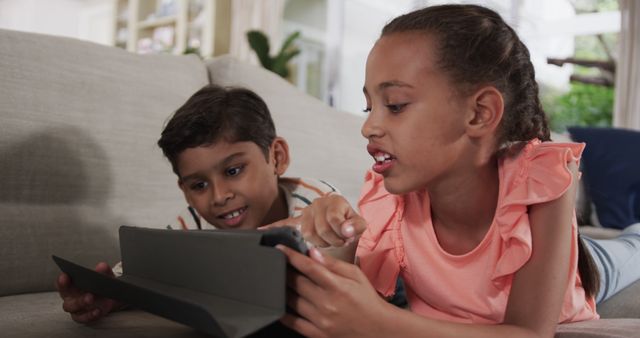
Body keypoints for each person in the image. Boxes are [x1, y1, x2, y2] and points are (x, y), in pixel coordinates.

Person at [275, 4, 640, 338]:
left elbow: (530, 333)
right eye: (369, 107)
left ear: (479, 113)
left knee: (631, 248)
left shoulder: (539, 179)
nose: (368, 127)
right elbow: (349, 296)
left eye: (396, 105)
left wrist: (381, 323)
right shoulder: (390, 197)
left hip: (581, 271)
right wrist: (335, 239)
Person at [54, 85, 354, 326]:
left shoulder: (316, 201)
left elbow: (341, 264)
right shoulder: (192, 226)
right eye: (198, 185)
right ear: (184, 191)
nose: (219, 196)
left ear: (276, 157)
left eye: (233, 171)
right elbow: (150, 275)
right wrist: (114, 296)